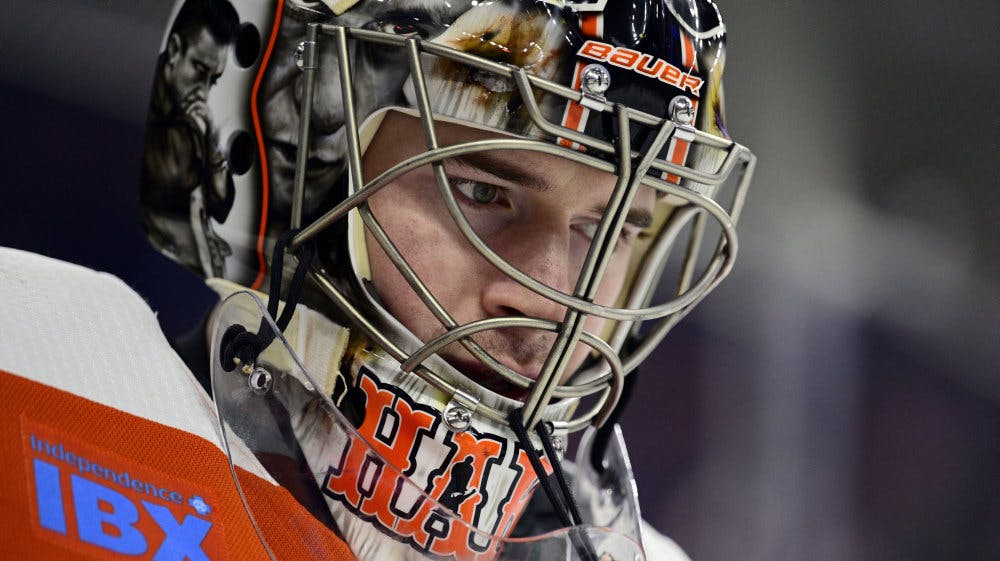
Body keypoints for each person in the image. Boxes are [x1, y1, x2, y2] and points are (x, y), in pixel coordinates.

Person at [0, 1, 755, 560]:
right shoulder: (36, 375)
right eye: (482, 192)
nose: (548, 300)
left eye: (608, 229)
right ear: (291, 154)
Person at [141, 0, 241, 278]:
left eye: (214, 80)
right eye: (199, 69)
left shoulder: (196, 120)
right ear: (174, 51)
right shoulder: (142, 101)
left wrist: (210, 150)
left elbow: (221, 208)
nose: (204, 91)